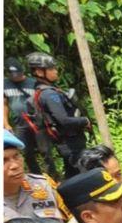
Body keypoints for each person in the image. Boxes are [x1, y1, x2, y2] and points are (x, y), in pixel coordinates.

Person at [25, 52, 91, 180]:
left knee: (73, 174)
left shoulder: (44, 92)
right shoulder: (49, 94)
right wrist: (84, 121)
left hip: (68, 142)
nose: (55, 71)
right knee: (82, 176)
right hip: (70, 144)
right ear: (39, 72)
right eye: (51, 69)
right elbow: (64, 120)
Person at [3, 130, 66, 222]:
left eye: (16, 156)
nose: (15, 165)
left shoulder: (43, 185)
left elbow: (72, 219)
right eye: (3, 160)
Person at [4, 57, 45, 175]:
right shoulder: (4, 84)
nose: (16, 77)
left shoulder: (33, 82)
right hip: (20, 124)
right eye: (13, 74)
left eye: (18, 74)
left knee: (45, 151)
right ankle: (37, 176)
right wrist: (6, 124)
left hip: (37, 122)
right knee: (26, 152)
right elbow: (4, 104)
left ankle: (53, 178)